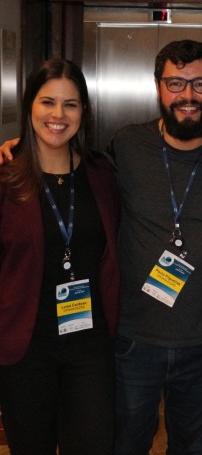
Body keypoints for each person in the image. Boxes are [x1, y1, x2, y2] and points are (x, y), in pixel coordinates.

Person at [108, 40, 202, 454]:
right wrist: (19, 152)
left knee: (190, 446)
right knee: (128, 444)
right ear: (158, 87)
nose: (188, 95)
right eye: (176, 83)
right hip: (134, 340)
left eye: (200, 84)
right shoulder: (127, 146)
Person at [0, 58, 120, 454]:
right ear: (29, 106)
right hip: (24, 348)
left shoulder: (102, 173)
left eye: (70, 104)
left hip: (89, 346)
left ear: (83, 112)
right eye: (47, 102)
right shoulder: (6, 177)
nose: (58, 114)